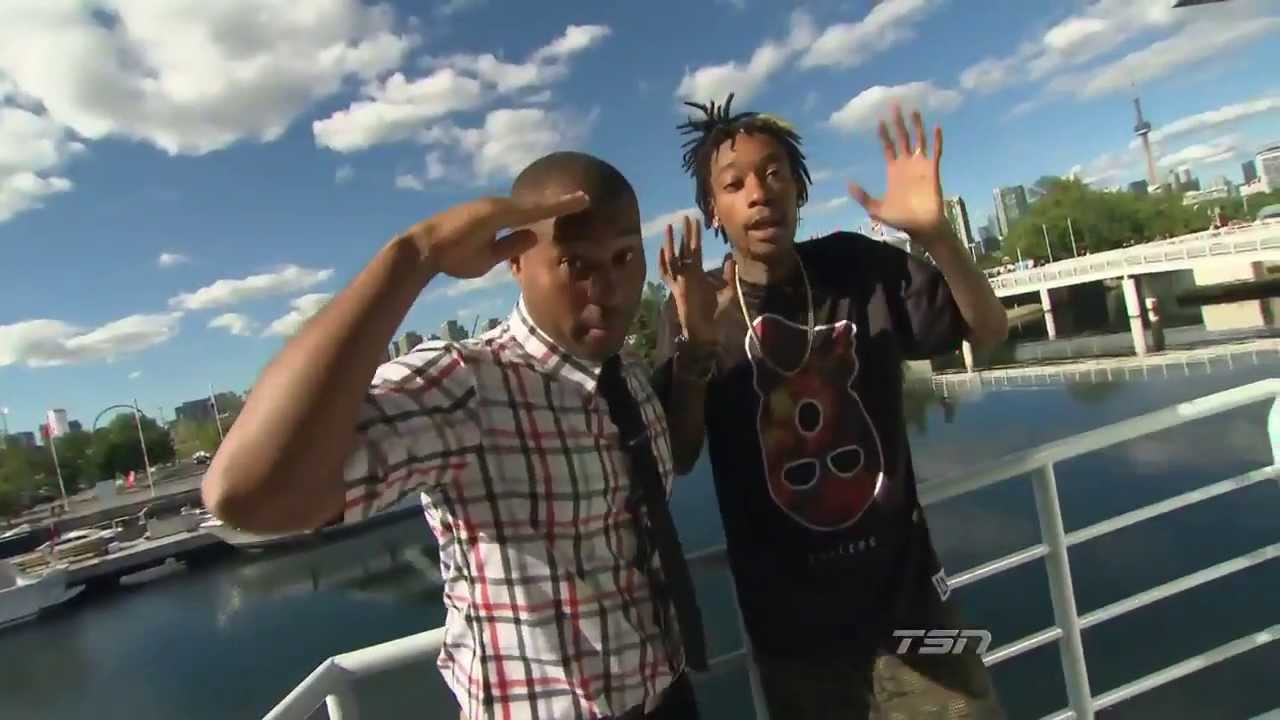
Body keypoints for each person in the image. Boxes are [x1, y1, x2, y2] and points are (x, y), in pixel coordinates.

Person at [202, 151, 713, 720]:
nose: (609, 290)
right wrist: (414, 255)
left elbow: (671, 463)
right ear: (516, 262)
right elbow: (245, 494)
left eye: (624, 257)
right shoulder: (467, 385)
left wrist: (694, 344)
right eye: (576, 263)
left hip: (668, 695)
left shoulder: (626, 374)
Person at [653, 94, 1010, 718]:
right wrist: (696, 354)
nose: (759, 193)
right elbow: (680, 456)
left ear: (799, 188)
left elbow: (990, 331)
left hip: (914, 604)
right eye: (734, 185)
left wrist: (936, 236)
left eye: (774, 173)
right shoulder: (693, 308)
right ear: (713, 211)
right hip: (793, 634)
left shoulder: (856, 265)